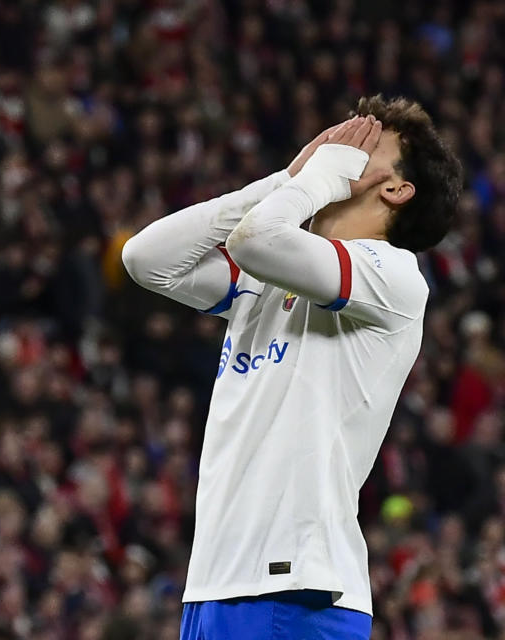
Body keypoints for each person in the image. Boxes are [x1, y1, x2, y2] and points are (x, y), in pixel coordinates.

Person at [122, 96, 462, 640]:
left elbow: (255, 240)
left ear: (396, 189)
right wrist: (288, 176)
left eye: (363, 146)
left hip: (296, 589)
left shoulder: (395, 277)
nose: (338, 147)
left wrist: (313, 180)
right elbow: (146, 259)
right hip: (214, 584)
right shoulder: (270, 280)